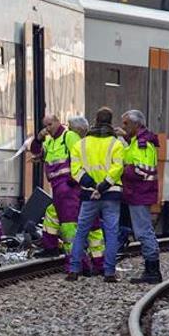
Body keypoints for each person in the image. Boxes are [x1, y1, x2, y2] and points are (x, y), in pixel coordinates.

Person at [31, 115, 104, 274]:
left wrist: (73, 179)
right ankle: (52, 247)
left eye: (50, 124)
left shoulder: (69, 136)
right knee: (54, 215)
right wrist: (38, 139)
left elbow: (81, 156)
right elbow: (37, 152)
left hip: (69, 189)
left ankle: (78, 264)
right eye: (45, 125)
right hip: (60, 189)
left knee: (69, 226)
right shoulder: (50, 141)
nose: (47, 128)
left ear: (58, 122)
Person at [67, 107, 124, 282]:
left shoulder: (80, 144)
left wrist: (92, 185)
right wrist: (104, 185)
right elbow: (118, 167)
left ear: (95, 120)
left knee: (81, 232)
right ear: (110, 121)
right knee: (111, 232)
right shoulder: (116, 144)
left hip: (88, 194)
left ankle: (74, 270)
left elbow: (75, 170)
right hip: (111, 194)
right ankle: (109, 272)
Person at [121, 110, 163, 284]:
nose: (123, 127)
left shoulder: (142, 143)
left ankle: (152, 271)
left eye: (126, 124)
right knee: (143, 231)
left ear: (136, 125)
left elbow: (141, 170)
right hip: (137, 192)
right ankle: (150, 269)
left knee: (143, 231)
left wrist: (121, 170)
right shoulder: (136, 142)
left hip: (139, 192)